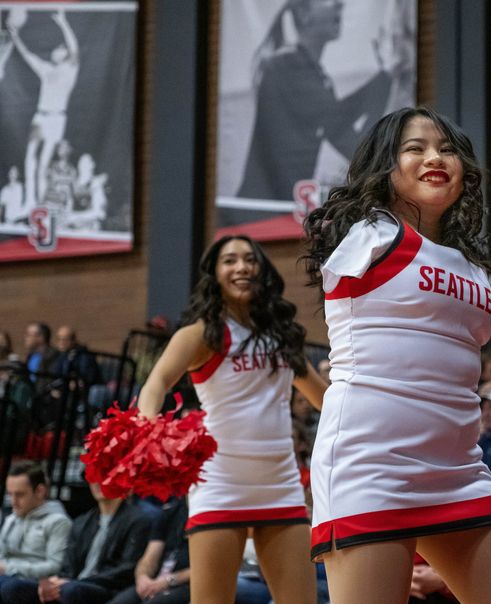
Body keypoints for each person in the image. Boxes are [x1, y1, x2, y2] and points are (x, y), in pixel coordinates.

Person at [302, 106, 491, 603]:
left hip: (460, 469)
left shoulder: (474, 266)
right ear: (384, 166)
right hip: (371, 464)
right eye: (415, 148)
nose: (436, 157)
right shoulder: (370, 235)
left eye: (447, 149)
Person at [137, 235, 328, 604]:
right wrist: (149, 428)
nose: (241, 267)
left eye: (249, 259)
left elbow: (323, 398)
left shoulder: (279, 336)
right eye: (229, 261)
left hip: (280, 484)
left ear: (262, 270)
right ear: (214, 273)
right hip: (220, 482)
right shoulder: (201, 334)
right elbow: (156, 383)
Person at [234, 0, 393, 211]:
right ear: (304, 14)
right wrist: (386, 77)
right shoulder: (286, 67)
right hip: (256, 214)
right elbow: (338, 115)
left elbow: (355, 148)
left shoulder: (316, 78)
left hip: (280, 212)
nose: (340, 4)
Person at [0, 482, 151, 604]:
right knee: (12, 587)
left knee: (71, 590)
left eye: (105, 475)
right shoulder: (82, 521)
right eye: (94, 476)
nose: (98, 482)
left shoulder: (138, 520)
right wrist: (54, 581)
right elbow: (67, 565)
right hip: (72, 583)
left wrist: (70, 582)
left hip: (105, 587)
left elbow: (126, 568)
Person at [8, 9, 79, 207]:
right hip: (41, 116)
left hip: (57, 119)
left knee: (43, 163)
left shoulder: (70, 70)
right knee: (29, 157)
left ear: (64, 54)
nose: (58, 49)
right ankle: (29, 201)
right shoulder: (46, 69)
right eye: (57, 47)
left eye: (61, 48)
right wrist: (15, 37)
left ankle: (39, 204)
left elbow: (74, 49)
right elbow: (26, 55)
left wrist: (63, 23)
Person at [0, 461, 72, 593]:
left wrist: (8, 568)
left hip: (35, 583)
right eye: (10, 494)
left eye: (20, 494)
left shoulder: (58, 522)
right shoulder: (11, 519)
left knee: (10, 587)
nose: (13, 501)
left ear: (40, 491)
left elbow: (55, 566)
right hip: (7, 579)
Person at [106, 498, 191, 604]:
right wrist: (143, 578)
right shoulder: (170, 512)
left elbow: (208, 568)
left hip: (186, 584)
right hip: (155, 581)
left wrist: (169, 581)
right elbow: (150, 557)